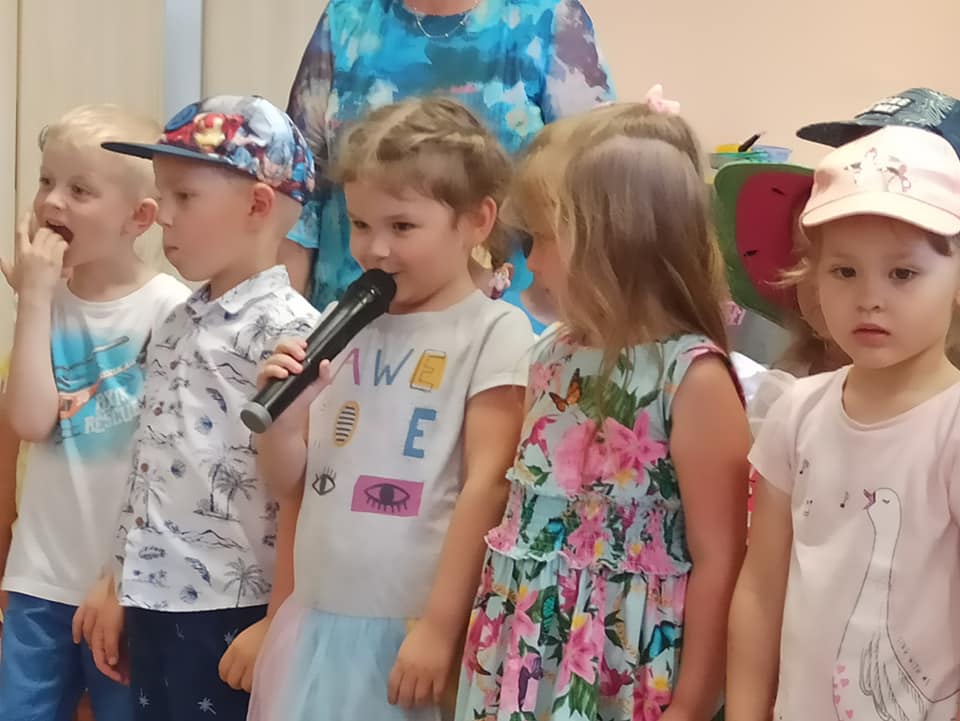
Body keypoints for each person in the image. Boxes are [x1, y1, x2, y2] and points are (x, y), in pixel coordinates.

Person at [456, 107, 751, 720]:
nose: (533, 262)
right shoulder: (550, 354)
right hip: (526, 653)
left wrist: (693, 705)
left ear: (618, 241)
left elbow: (721, 559)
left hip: (622, 665)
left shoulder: (690, 377)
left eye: (544, 238)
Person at [247, 97, 534, 721]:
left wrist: (439, 628)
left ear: (477, 221)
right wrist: (282, 427)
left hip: (410, 632)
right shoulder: (342, 324)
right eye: (359, 224)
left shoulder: (494, 331)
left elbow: (487, 487)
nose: (375, 249)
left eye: (402, 227)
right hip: (317, 623)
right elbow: (295, 485)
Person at [97, 94, 320, 721]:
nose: (163, 216)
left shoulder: (293, 333)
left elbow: (305, 493)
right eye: (161, 195)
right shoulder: (175, 320)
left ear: (258, 205)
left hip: (231, 605)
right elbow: (149, 462)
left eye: (185, 197)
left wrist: (277, 616)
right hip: (152, 596)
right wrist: (115, 579)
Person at [727, 125, 960, 721]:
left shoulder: (951, 427)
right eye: (845, 272)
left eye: (902, 273)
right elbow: (761, 589)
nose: (869, 298)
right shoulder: (797, 412)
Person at [0, 105, 190, 721]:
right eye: (46, 181)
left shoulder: (171, 310)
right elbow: (30, 421)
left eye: (80, 190)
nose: (52, 201)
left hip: (127, 588)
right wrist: (33, 300)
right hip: (39, 580)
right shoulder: (45, 301)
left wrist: (125, 577)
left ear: (140, 218)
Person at [281, 0, 615, 331]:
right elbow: (299, 198)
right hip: (350, 321)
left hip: (501, 323)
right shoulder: (347, 16)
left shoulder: (547, 17)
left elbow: (592, 196)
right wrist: (290, 327)